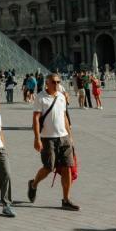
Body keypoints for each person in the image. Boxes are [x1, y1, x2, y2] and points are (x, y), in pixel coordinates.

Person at [28, 73, 79, 211]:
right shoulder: (40, 97)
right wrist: (37, 138)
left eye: (58, 82)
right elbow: (36, 119)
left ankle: (66, 199)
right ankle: (33, 184)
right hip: (47, 138)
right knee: (49, 167)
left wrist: (70, 136)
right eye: (54, 82)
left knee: (68, 167)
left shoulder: (61, 97)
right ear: (47, 83)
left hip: (64, 137)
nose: (57, 84)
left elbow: (64, 117)